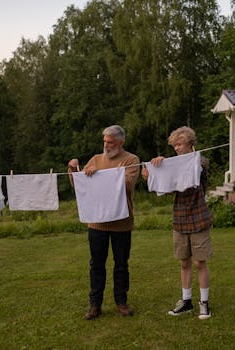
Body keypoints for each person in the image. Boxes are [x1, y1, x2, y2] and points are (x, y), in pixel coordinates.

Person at [68, 125, 140, 320]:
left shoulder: (131, 160)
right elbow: (79, 186)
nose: (106, 145)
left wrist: (101, 176)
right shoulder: (95, 160)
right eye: (105, 141)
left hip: (122, 223)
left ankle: (121, 302)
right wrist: (73, 170)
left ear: (120, 142)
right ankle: (94, 305)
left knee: (121, 265)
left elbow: (126, 186)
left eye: (110, 142)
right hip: (97, 223)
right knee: (96, 264)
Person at [141, 126, 213, 320]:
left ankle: (204, 303)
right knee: (184, 262)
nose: (177, 149)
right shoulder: (173, 163)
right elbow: (168, 182)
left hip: (199, 218)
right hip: (180, 219)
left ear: (190, 143)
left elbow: (200, 169)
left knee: (199, 262)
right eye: (174, 146)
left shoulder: (201, 161)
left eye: (179, 144)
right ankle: (186, 301)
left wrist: (169, 166)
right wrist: (156, 170)